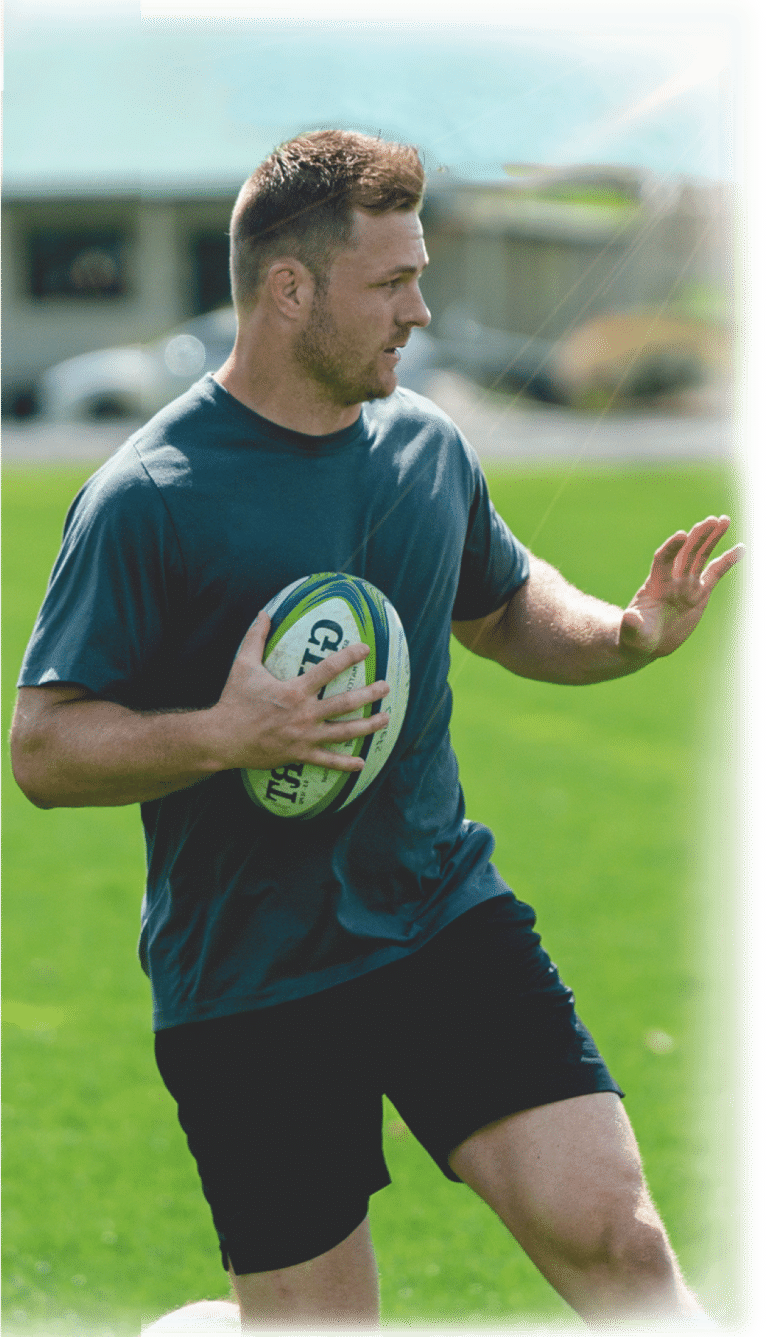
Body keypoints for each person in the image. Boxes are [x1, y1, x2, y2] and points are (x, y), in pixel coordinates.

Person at [11, 130, 744, 1336]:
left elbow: (504, 603)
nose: (423, 309)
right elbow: (41, 748)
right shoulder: (150, 498)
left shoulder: (425, 443)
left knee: (619, 1238)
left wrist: (620, 634)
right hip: (252, 978)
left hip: (440, 916)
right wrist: (222, 732)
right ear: (290, 289)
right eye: (393, 282)